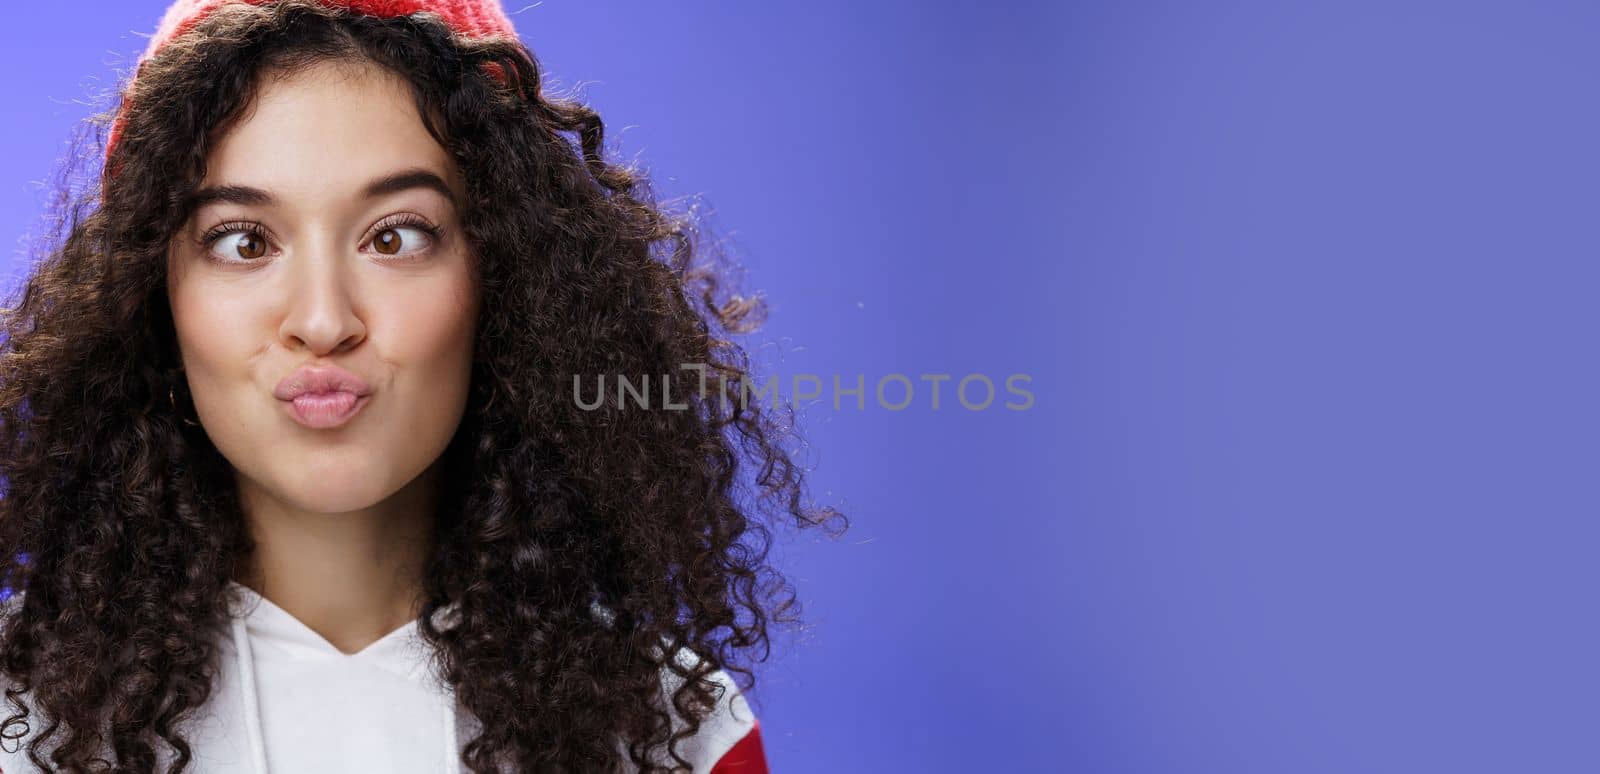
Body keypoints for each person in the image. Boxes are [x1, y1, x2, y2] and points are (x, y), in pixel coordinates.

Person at [0, 0, 842, 771]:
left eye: (397, 237)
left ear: (505, 283)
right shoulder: (21, 723)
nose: (324, 320)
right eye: (243, 241)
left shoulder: (678, 735)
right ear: (156, 302)